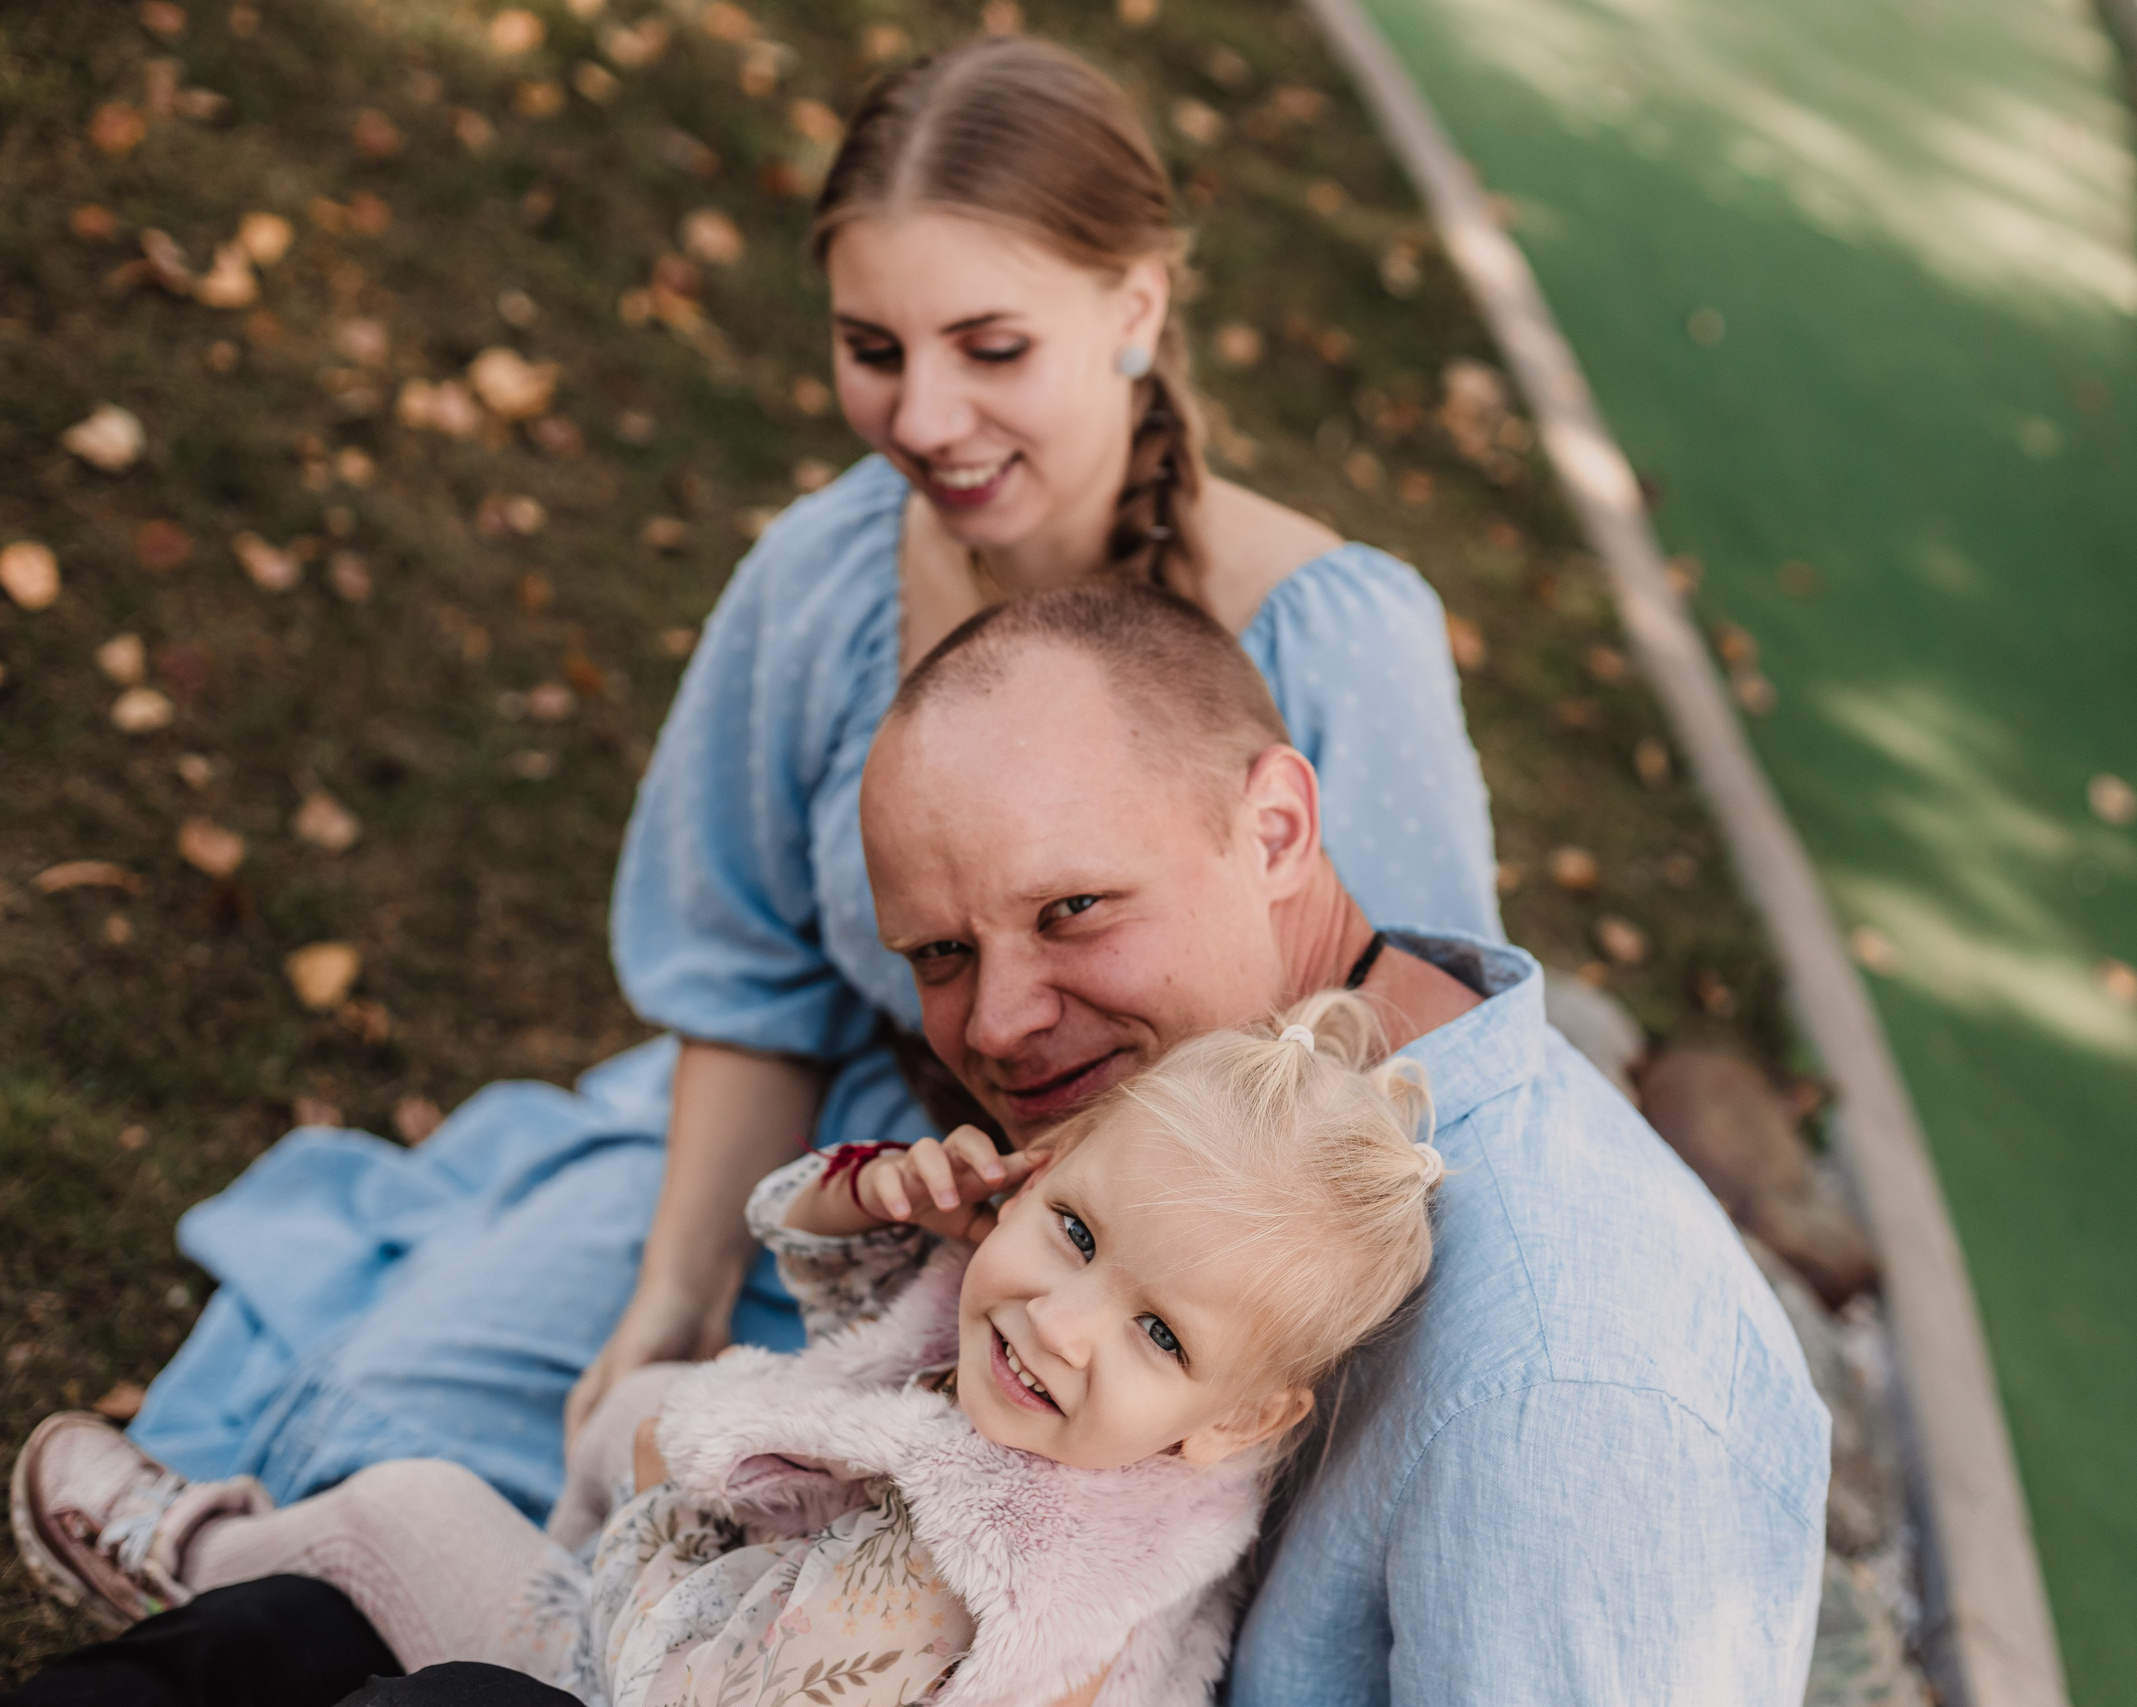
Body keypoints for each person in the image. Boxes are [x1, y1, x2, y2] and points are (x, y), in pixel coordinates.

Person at [118, 35, 1501, 1525]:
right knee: (380, 1430)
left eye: (990, 347)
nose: (919, 419)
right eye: (872, 349)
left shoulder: (1339, 637)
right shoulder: (829, 570)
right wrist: (679, 1290)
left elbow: (1424, 1085)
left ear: (1134, 305)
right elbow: (748, 979)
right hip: (840, 1163)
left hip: (1141, 1297)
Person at [13, 583, 1826, 1702]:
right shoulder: (1181, 1136)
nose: (1001, 1027)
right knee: (280, 1641)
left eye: (1076, 911)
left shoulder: (1580, 1380)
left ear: (1278, 825)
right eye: (944, 956)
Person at [17, 994, 1443, 1707]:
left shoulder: (1039, 1608)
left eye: (1154, 1331)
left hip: (646, 1678)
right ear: (1036, 1171)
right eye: (1074, 1231)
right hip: (669, 1622)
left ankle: (189, 1555)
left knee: (414, 1514)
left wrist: (682, 1494)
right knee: (643, 1404)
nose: (1057, 1323)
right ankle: (252, 1571)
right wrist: (878, 1185)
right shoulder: (1011, 1351)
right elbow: (816, 1252)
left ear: (1235, 1422)